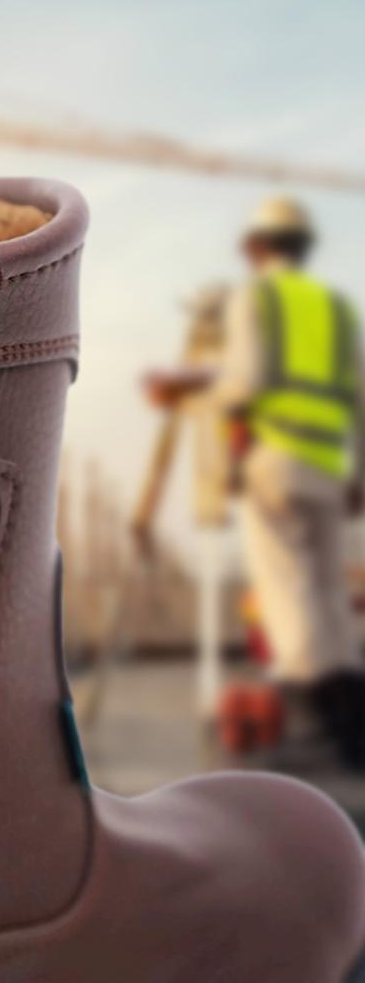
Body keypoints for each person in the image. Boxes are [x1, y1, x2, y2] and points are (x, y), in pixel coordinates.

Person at [149, 197, 365, 767]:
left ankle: (323, 718)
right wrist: (360, 475)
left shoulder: (258, 297)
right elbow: (361, 397)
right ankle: (350, 713)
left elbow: (246, 383)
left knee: (288, 594)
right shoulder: (336, 308)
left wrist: (186, 394)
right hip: (327, 467)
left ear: (256, 246)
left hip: (276, 461)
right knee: (329, 595)